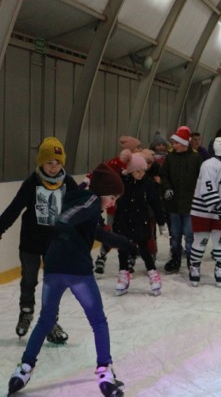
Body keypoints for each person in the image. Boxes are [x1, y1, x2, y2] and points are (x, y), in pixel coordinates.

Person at [7, 163, 136, 397]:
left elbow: (97, 232)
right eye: (112, 197)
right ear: (102, 192)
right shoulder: (91, 201)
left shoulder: (79, 198)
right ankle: (105, 374)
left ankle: (23, 370)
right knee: (98, 322)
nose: (112, 203)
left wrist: (124, 243)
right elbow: (66, 219)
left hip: (54, 270)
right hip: (77, 272)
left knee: (45, 321)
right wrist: (63, 228)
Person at [0, 137, 78, 344]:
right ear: (40, 162)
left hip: (57, 244)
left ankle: (51, 322)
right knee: (29, 280)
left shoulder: (68, 183)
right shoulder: (32, 182)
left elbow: (81, 207)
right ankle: (26, 311)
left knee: (53, 284)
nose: (53, 167)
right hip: (31, 242)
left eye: (58, 163)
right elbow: (15, 208)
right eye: (49, 162)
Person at [112, 150, 168, 296]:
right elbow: (109, 191)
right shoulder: (122, 181)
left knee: (144, 249)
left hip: (140, 220)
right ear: (130, 170)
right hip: (123, 220)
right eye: (137, 171)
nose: (141, 174)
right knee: (122, 249)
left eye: (143, 171)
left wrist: (162, 223)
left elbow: (155, 203)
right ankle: (123, 276)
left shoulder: (147, 182)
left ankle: (153, 274)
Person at [188, 136, 221, 287]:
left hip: (219, 210)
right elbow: (207, 187)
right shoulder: (209, 165)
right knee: (201, 240)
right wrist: (218, 205)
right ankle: (195, 266)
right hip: (203, 210)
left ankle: (220, 268)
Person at [93, 135, 142, 275]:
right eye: (137, 147)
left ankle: (130, 258)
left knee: (131, 232)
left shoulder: (138, 164)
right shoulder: (114, 163)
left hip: (131, 206)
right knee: (110, 231)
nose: (139, 149)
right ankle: (102, 256)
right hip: (114, 206)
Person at [160, 126, 203, 273]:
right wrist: (167, 188)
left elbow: (201, 178)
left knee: (190, 235)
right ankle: (176, 259)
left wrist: (200, 196)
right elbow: (163, 175)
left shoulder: (196, 158)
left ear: (184, 143)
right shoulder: (170, 158)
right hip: (174, 204)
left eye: (176, 142)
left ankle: (192, 261)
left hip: (191, 204)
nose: (174, 145)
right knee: (175, 234)